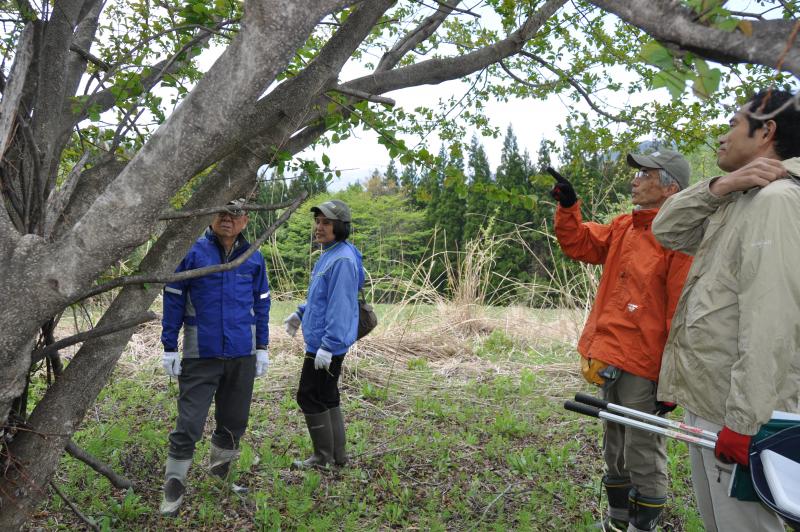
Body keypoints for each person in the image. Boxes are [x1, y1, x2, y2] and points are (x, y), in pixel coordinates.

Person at [652, 89, 800, 532]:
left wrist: (745, 420)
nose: (722, 135)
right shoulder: (743, 196)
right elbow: (667, 228)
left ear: (766, 130)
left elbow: (772, 319)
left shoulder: (778, 202)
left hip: (741, 412)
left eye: (734, 123)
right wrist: (721, 185)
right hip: (717, 400)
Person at [550, 151, 693, 532]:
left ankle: (641, 527)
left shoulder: (678, 237)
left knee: (642, 448)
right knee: (614, 443)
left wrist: (671, 379)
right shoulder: (624, 227)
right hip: (609, 355)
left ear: (670, 188)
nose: (634, 179)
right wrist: (568, 206)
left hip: (645, 362)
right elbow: (579, 244)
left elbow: (679, 313)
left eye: (645, 174)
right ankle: (616, 523)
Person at [158, 199, 271, 516]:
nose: (227, 218)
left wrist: (262, 347)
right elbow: (174, 299)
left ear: (246, 220)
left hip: (242, 354)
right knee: (188, 424)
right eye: (221, 211)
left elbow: (262, 303)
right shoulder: (192, 253)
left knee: (234, 422)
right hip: (200, 353)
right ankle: (173, 487)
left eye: (235, 214)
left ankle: (220, 477)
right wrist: (169, 346)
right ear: (210, 215)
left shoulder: (253, 257)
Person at [283, 199, 364, 469]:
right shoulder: (331, 253)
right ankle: (337, 457)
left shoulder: (341, 259)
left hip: (325, 344)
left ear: (340, 226)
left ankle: (323, 457)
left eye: (327, 223)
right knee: (327, 395)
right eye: (318, 222)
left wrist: (328, 346)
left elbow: (340, 305)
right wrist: (301, 313)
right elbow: (322, 297)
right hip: (322, 340)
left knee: (308, 395)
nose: (319, 227)